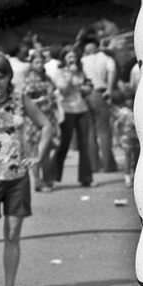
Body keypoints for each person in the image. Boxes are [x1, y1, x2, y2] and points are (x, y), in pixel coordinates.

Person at [0, 52, 52, 286]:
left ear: (9, 77)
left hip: (16, 176)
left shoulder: (20, 98)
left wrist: (38, 156)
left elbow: (46, 124)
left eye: (1, 77)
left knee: (12, 235)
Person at [52, 46, 93, 189]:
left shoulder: (81, 70)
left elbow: (86, 86)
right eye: (69, 57)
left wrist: (86, 88)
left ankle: (86, 178)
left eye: (74, 56)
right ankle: (53, 177)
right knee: (64, 143)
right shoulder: (60, 72)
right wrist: (70, 74)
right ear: (64, 58)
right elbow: (62, 89)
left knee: (84, 144)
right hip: (67, 109)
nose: (72, 59)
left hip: (82, 109)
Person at [22, 51, 60, 193]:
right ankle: (37, 181)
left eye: (41, 61)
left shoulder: (47, 77)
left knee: (49, 149)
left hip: (49, 117)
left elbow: (54, 92)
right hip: (34, 120)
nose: (39, 64)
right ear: (31, 64)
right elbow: (25, 99)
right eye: (36, 62)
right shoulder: (29, 79)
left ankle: (47, 179)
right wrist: (41, 99)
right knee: (36, 151)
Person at [81, 36, 117, 173]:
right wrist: (109, 88)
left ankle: (94, 165)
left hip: (86, 95)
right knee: (104, 131)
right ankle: (108, 165)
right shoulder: (106, 58)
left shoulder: (82, 60)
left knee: (90, 132)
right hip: (101, 93)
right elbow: (112, 71)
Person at [111, 85, 140, 188]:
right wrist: (117, 139)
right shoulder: (123, 112)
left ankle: (135, 175)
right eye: (127, 100)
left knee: (137, 157)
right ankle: (127, 176)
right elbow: (116, 125)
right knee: (128, 156)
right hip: (126, 137)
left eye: (131, 99)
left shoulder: (137, 110)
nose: (130, 102)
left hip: (137, 137)